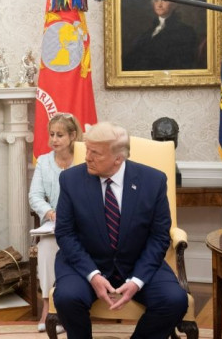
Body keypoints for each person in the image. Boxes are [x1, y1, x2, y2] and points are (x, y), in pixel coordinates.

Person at [53, 121, 187, 339]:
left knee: (174, 300)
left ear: (118, 158)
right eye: (87, 150)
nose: (87, 157)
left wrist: (137, 281)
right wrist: (93, 275)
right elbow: (65, 234)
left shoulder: (153, 181)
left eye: (95, 153)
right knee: (67, 298)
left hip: (137, 261)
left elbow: (159, 236)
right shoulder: (71, 179)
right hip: (87, 262)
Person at [28, 112, 83, 333]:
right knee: (47, 247)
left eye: (60, 135)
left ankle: (73, 308)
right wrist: (50, 213)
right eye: (51, 134)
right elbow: (35, 196)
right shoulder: (43, 162)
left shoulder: (84, 159)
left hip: (82, 227)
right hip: (54, 227)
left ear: (72, 135)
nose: (54, 139)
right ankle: (49, 308)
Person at [123, 0, 198, 71]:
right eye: (156, 0)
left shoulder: (186, 32)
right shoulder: (146, 33)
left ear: (174, 4)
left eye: (164, 0)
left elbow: (181, 65)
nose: (159, 5)